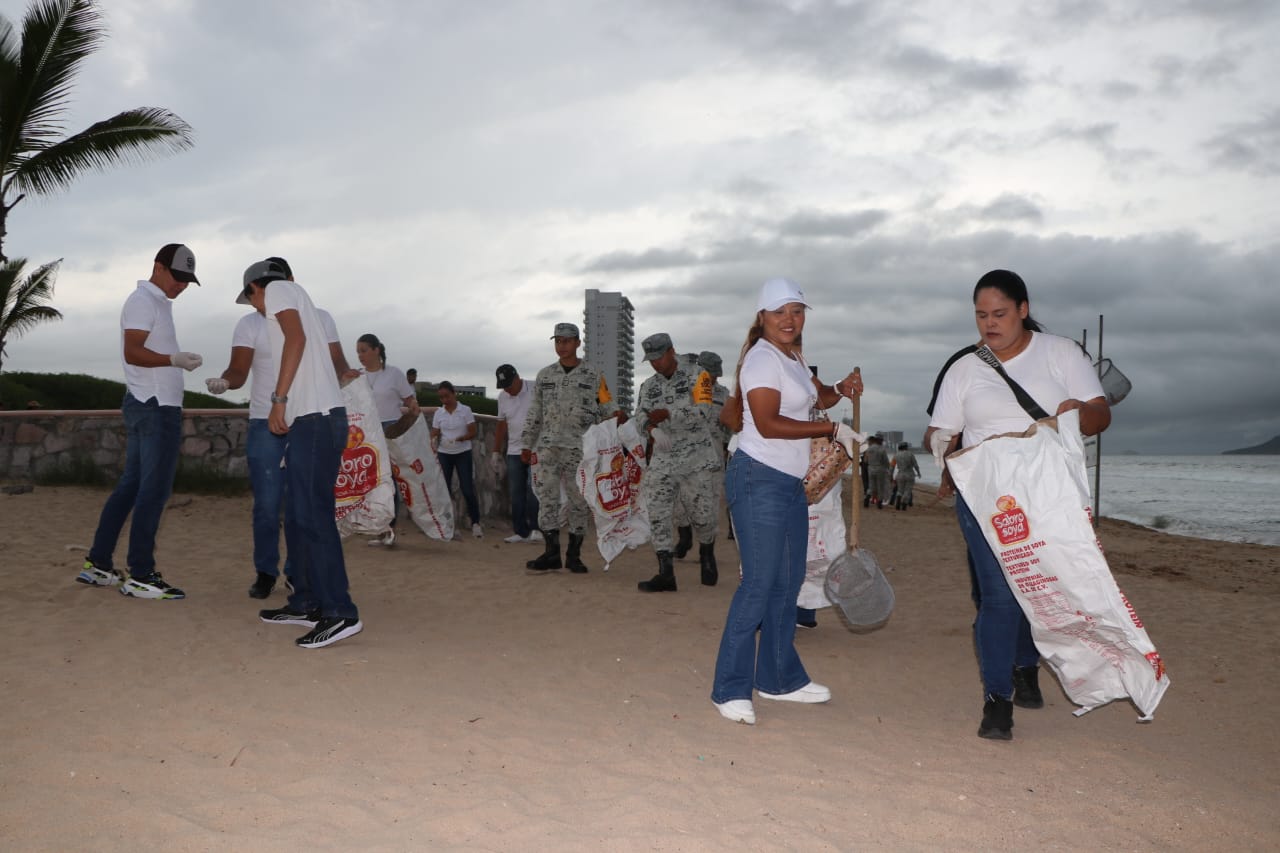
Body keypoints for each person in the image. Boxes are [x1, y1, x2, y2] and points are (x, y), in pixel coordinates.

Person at [925, 268, 1110, 740]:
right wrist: (943, 446)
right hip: (985, 497)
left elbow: (1100, 415)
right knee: (997, 594)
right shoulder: (964, 368)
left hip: (1047, 495)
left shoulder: (1061, 353)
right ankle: (997, 699)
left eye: (1000, 314)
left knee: (1037, 584)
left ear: (1023, 310)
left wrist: (1079, 413)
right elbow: (939, 432)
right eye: (981, 315)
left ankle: (1026, 664)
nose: (989, 324)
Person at [710, 278, 863, 725]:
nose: (790, 319)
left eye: (797, 311)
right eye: (780, 311)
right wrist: (831, 429)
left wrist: (841, 388)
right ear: (762, 316)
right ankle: (729, 688)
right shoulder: (761, 359)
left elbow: (817, 397)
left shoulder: (793, 358)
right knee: (759, 584)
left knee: (787, 582)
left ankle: (779, 679)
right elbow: (768, 423)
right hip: (757, 478)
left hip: (790, 484)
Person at [205, 256, 355, 599]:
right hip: (268, 420)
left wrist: (343, 378)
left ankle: (304, 580)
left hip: (302, 414)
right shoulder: (250, 324)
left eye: (252, 298)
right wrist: (226, 382)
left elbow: (330, 358)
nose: (255, 307)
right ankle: (270, 573)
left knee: (305, 506)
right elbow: (238, 370)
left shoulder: (307, 311)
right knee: (270, 503)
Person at [242, 260, 363, 649]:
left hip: (316, 418)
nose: (255, 307)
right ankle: (306, 602)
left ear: (257, 287)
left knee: (313, 516)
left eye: (250, 298)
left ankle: (340, 612)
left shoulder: (279, 291)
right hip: (310, 421)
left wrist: (278, 400)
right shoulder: (300, 300)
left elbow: (296, 340)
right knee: (296, 515)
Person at [76, 243, 203, 599]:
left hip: (148, 404)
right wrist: (173, 360)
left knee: (131, 487)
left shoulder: (155, 302)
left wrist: (173, 361)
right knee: (153, 490)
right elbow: (133, 352)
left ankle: (99, 564)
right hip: (155, 407)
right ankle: (141, 573)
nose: (182, 285)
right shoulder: (143, 301)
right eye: (177, 277)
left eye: (187, 280)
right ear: (158, 267)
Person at [522, 322, 625, 574]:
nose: (562, 346)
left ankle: (574, 555)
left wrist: (618, 417)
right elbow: (535, 411)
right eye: (558, 341)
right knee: (547, 499)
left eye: (567, 341)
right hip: (548, 448)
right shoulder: (545, 375)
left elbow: (607, 405)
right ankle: (551, 553)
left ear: (578, 343)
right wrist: (526, 443)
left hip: (580, 450)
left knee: (579, 501)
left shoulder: (593, 375)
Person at [634, 333, 721, 592]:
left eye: (659, 357)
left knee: (702, 516)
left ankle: (707, 551)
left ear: (671, 351)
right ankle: (666, 572)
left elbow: (705, 411)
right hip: (664, 458)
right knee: (657, 512)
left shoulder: (698, 375)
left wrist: (669, 414)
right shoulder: (649, 386)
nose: (655, 364)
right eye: (651, 360)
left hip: (696, 458)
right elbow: (640, 415)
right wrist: (651, 429)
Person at [355, 332, 419, 546]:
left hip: (390, 430)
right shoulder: (358, 376)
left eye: (364, 351)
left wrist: (414, 410)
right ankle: (379, 528)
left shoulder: (394, 374)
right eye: (358, 352)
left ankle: (389, 528)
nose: (360, 356)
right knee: (371, 482)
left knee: (388, 480)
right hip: (367, 431)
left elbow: (409, 400)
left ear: (376, 350)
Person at [491, 364, 541, 544]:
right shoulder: (502, 397)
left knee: (533, 490)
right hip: (513, 451)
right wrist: (496, 451)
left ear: (518, 377)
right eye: (503, 387)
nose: (507, 390)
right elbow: (501, 424)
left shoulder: (536, 389)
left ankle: (536, 529)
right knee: (515, 492)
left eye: (509, 385)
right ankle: (520, 531)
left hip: (536, 449)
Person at [431, 380, 483, 538]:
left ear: (454, 394)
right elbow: (435, 431)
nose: (445, 400)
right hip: (444, 453)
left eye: (447, 396)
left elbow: (473, 431)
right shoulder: (439, 413)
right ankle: (447, 523)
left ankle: (476, 522)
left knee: (467, 488)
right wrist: (432, 439)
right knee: (444, 490)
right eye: (441, 397)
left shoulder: (465, 410)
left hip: (462, 452)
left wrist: (462, 438)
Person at [863, 435, 891, 509]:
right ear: (880, 441)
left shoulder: (869, 449)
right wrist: (888, 469)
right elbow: (886, 461)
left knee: (871, 485)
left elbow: (865, 460)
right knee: (880, 486)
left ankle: (867, 497)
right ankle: (879, 502)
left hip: (870, 468)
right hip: (880, 469)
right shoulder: (882, 449)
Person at [892, 441, 920, 510]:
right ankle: (904, 504)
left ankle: (898, 497)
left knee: (900, 489)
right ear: (906, 447)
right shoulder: (910, 454)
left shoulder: (896, 455)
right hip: (909, 474)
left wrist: (891, 475)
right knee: (908, 490)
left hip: (900, 474)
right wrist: (918, 473)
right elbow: (915, 465)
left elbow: (892, 466)